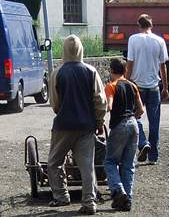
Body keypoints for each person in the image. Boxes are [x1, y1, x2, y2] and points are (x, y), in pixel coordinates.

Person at [47, 34, 107, 215]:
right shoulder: (91, 71)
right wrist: (98, 121)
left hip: (63, 126)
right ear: (81, 49)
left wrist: (61, 111)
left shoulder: (57, 73)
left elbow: (54, 103)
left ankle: (61, 196)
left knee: (54, 162)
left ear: (65, 50)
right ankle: (89, 202)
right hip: (86, 126)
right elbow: (100, 101)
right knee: (87, 166)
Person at [125, 14, 169, 165]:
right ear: (151, 25)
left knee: (133, 117)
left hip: (137, 87)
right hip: (154, 87)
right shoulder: (160, 41)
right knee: (154, 122)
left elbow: (130, 62)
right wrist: (166, 87)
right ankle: (153, 157)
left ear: (139, 25)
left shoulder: (133, 39)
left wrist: (125, 81)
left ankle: (143, 143)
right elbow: (163, 67)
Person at [104, 59, 144, 211]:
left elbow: (109, 105)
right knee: (128, 165)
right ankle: (127, 200)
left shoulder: (111, 86)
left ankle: (118, 190)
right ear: (125, 71)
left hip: (119, 125)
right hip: (134, 124)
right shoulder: (132, 85)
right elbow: (141, 109)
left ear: (111, 71)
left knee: (110, 161)